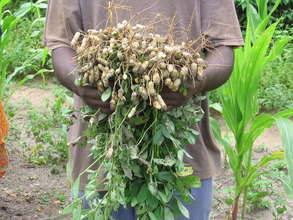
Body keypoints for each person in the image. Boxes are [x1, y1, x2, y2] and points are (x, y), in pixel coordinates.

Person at [45, 1, 243, 219]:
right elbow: (61, 44)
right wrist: (82, 83)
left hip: (182, 155)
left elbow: (224, 49)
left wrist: (195, 81)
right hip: (101, 155)